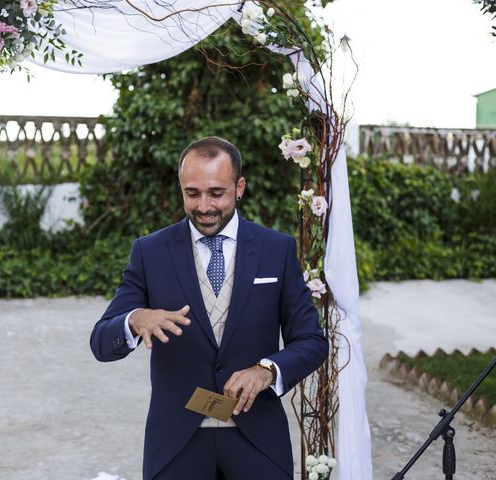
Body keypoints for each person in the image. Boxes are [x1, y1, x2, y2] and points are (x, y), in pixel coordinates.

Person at [90, 136, 328, 480]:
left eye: (216, 193)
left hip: (257, 440)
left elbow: (312, 340)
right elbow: (101, 342)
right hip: (176, 443)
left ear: (240, 187)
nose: (204, 205)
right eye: (192, 193)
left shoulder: (276, 250)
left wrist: (267, 371)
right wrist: (134, 319)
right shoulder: (150, 252)